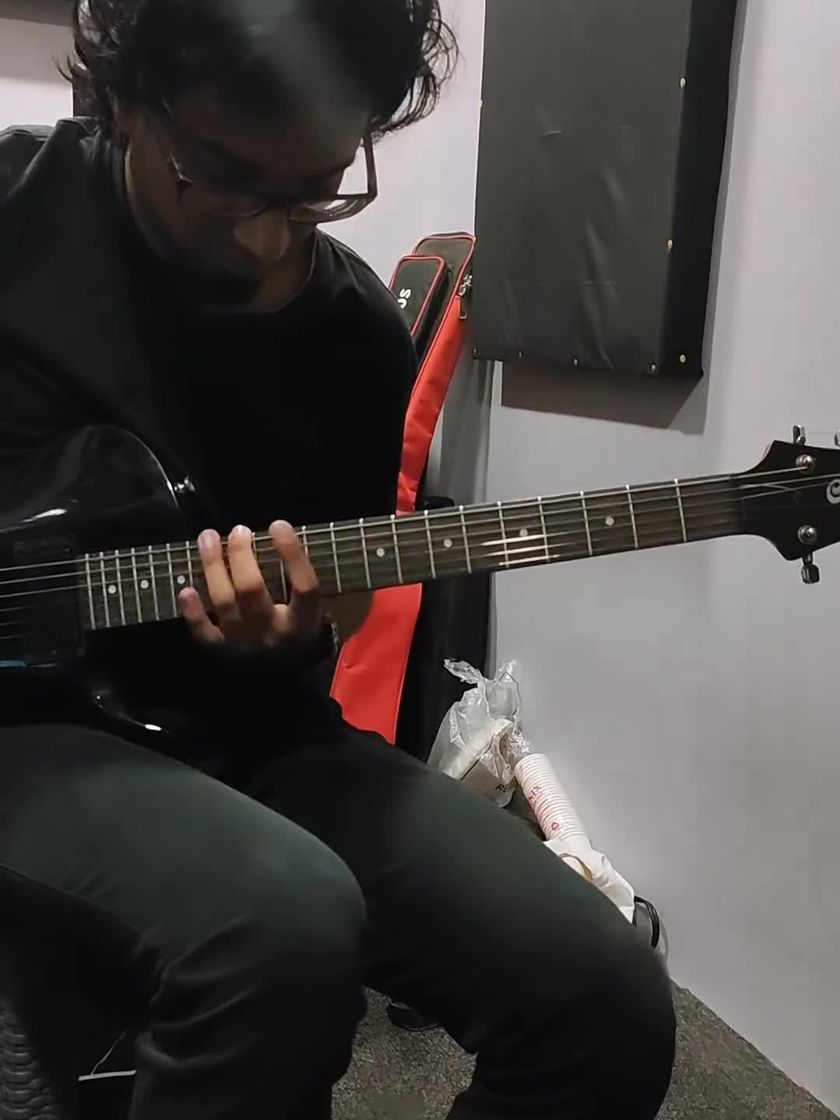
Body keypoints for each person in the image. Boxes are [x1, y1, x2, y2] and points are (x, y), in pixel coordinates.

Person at [0, 1, 676, 1117]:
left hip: (252, 733)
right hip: (28, 737)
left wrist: (294, 629)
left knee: (604, 994)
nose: (268, 238)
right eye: (225, 180)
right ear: (124, 103)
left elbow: (347, 590)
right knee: (279, 924)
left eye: (315, 190)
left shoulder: (356, 332)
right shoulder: (19, 214)